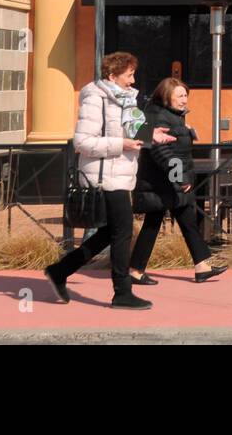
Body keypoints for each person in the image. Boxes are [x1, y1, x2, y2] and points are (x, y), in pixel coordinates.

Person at [44, 51, 173, 309]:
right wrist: (121, 144)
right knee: (123, 231)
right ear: (112, 76)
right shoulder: (95, 98)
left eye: (133, 74)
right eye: (129, 75)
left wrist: (152, 134)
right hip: (104, 177)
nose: (133, 80)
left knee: (109, 233)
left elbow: (130, 128)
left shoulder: (125, 100)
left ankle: (60, 271)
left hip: (121, 175)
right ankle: (122, 293)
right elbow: (82, 142)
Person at [129, 78, 227, 284]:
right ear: (167, 97)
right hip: (161, 182)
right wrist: (179, 177)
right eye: (180, 96)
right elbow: (160, 150)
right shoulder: (159, 116)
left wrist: (188, 132)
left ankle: (201, 266)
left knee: (184, 221)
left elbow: (174, 143)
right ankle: (136, 271)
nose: (185, 100)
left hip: (168, 182)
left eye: (186, 96)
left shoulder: (172, 115)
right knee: (155, 224)